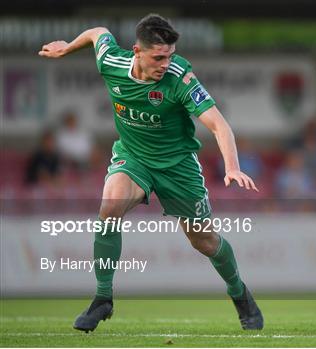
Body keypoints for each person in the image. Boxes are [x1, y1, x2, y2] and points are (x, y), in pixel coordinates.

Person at [39, 14, 263, 332]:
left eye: (169, 55)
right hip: (134, 159)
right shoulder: (111, 62)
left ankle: (239, 293)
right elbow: (97, 32)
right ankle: (103, 298)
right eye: (158, 57)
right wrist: (67, 48)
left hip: (178, 166)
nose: (165, 63)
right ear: (137, 51)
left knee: (205, 241)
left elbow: (218, 124)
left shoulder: (180, 76)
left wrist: (233, 167)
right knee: (110, 206)